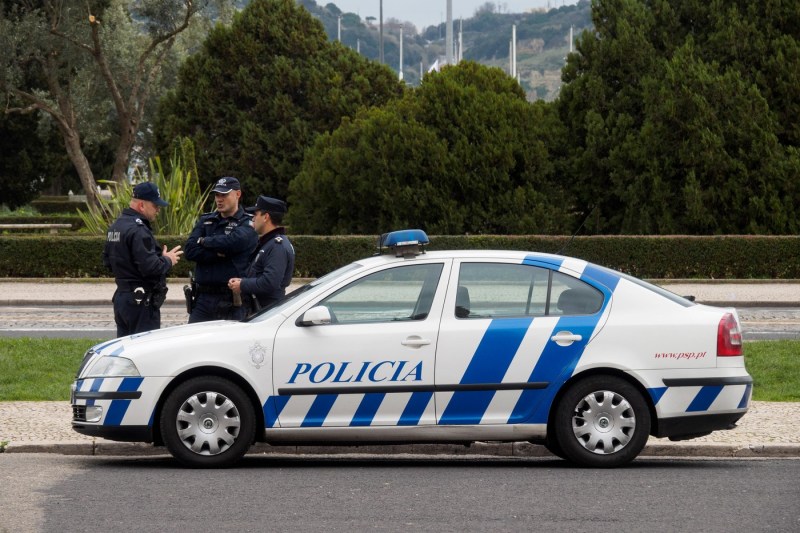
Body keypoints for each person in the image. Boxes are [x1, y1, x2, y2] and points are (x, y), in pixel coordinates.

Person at [103, 181, 183, 337]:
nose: (158, 210)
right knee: (144, 347)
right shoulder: (139, 230)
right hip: (140, 301)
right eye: (155, 205)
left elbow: (108, 262)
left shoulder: (116, 226)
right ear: (141, 205)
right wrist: (168, 260)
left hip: (122, 298)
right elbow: (151, 268)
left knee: (125, 346)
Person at [184, 176, 257, 322]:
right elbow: (190, 250)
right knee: (193, 336)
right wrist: (219, 253)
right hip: (203, 299)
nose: (219, 199)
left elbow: (234, 242)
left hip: (232, 300)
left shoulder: (247, 222)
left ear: (237, 194)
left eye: (224, 195)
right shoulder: (206, 220)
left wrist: (204, 241)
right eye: (217, 195)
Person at [228, 196, 295, 314]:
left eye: (256, 214)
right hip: (261, 311)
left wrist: (242, 284)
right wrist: (242, 281)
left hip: (268, 312)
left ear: (265, 217)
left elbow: (270, 282)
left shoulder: (277, 246)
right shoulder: (269, 243)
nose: (253, 218)